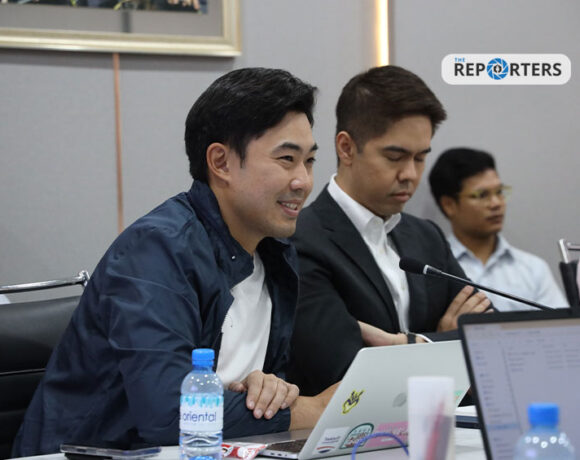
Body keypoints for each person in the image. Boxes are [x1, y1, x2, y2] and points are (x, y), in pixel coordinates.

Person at [13, 67, 336, 457]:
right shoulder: (156, 250)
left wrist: (267, 389)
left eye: (310, 161)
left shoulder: (277, 252)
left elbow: (256, 395)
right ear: (221, 162)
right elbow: (170, 413)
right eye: (287, 159)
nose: (304, 181)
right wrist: (313, 409)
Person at [288, 65, 490, 396]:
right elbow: (345, 371)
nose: (410, 174)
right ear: (346, 148)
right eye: (395, 157)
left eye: (420, 158)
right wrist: (440, 342)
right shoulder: (300, 241)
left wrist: (415, 344)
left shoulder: (426, 237)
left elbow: (490, 345)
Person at [428, 147, 568, 311]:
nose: (496, 203)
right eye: (482, 195)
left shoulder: (533, 268)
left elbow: (561, 325)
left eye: (499, 192)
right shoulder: (434, 270)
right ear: (449, 205)